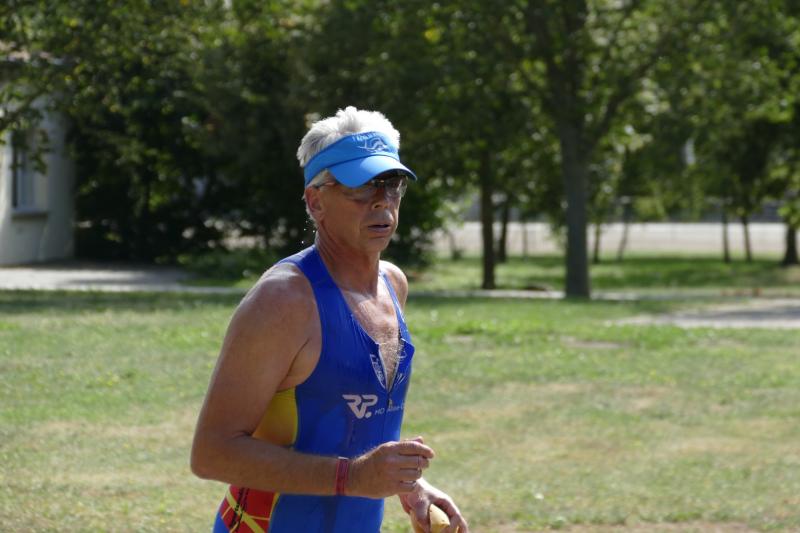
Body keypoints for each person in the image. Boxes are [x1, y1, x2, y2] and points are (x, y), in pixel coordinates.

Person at [191, 106, 469, 533]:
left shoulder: (392, 285)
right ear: (316, 201)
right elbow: (211, 453)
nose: (381, 200)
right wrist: (353, 477)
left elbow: (353, 424)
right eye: (361, 186)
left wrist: (408, 485)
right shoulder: (284, 300)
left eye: (391, 184)